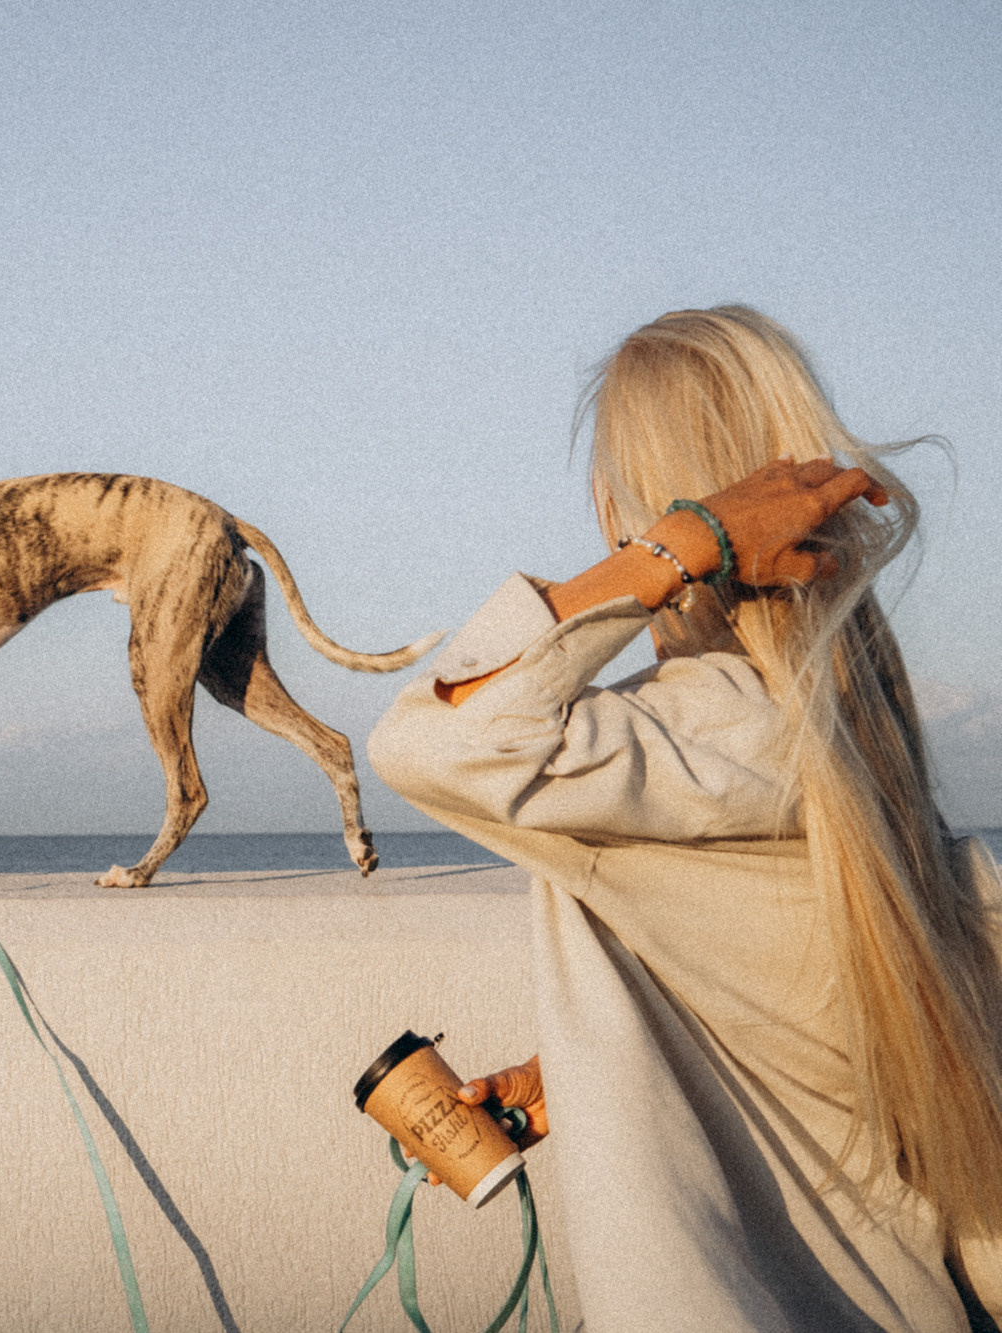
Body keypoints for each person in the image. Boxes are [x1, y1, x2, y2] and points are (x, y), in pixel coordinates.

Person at [367, 306, 1002, 1331]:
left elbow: (431, 742)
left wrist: (679, 544)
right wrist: (567, 1079)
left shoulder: (707, 727)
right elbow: (796, 1015)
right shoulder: (852, 750)